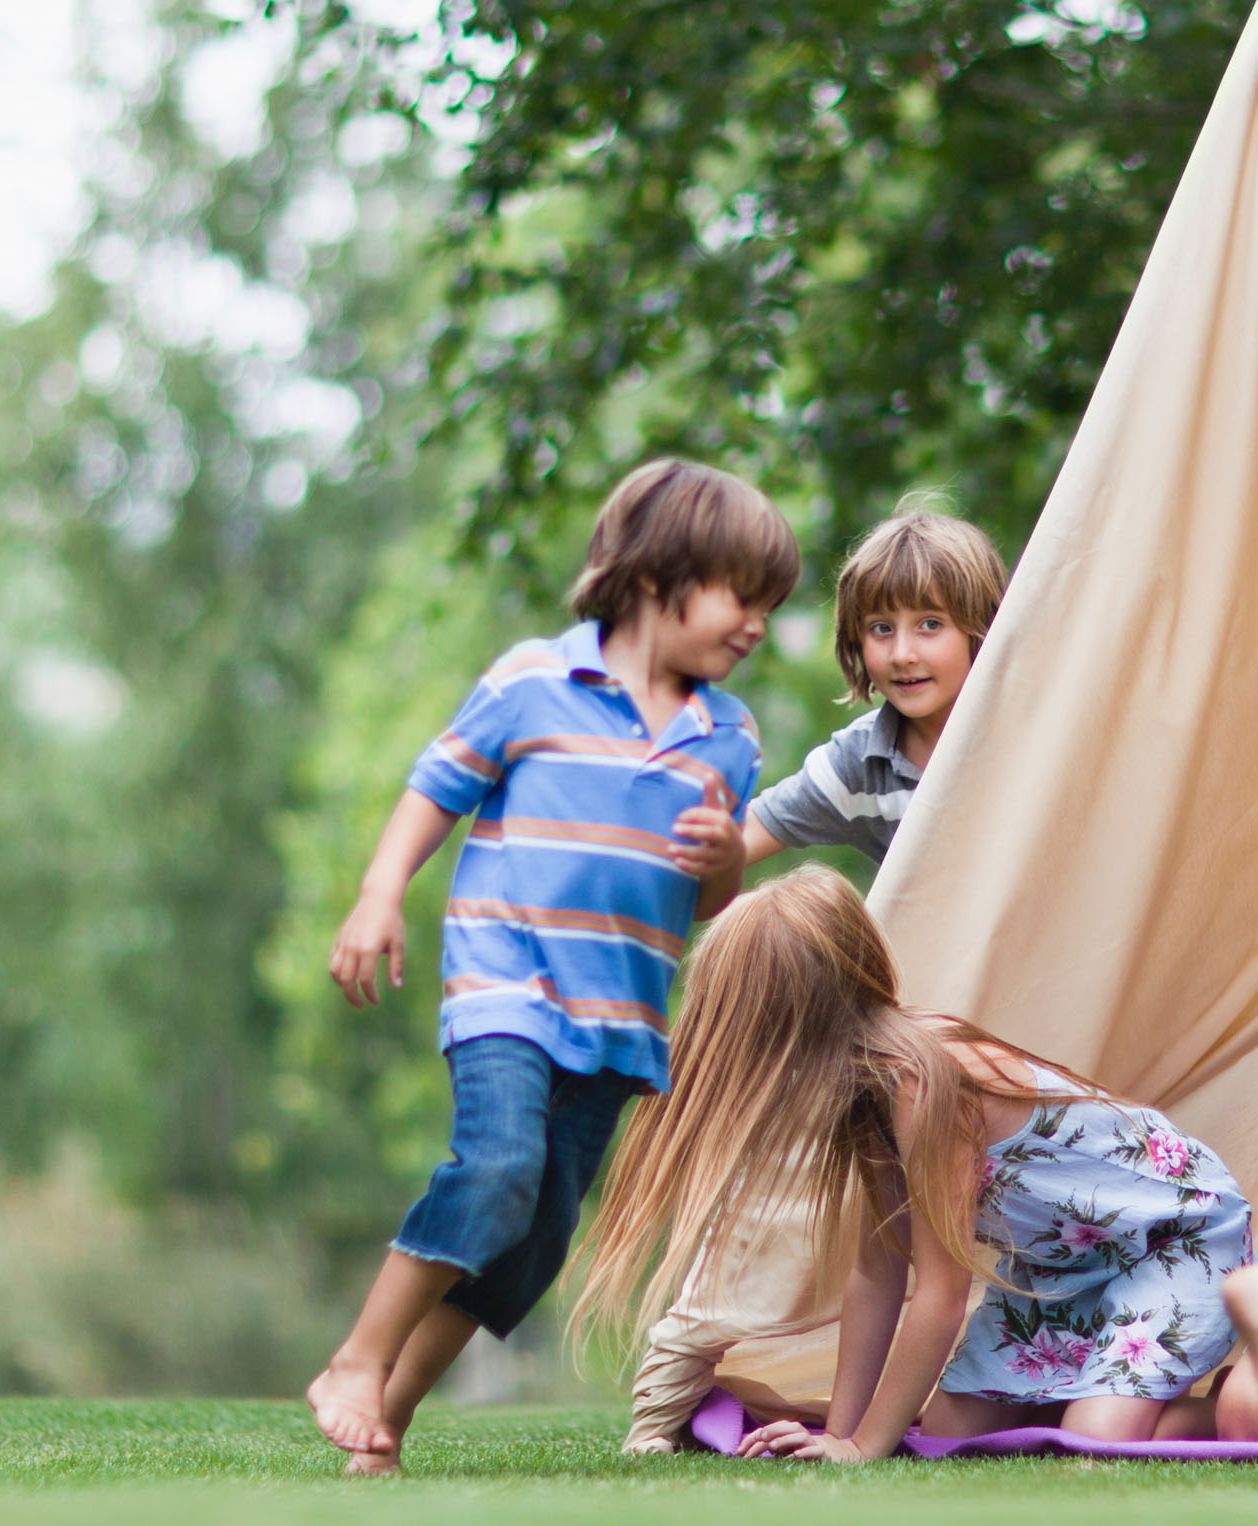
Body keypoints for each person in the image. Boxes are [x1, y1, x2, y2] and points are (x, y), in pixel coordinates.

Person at [306, 458, 800, 1471]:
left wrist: (720, 866)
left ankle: (386, 1415)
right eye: (738, 596)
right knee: (494, 1167)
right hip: (505, 978)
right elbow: (436, 784)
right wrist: (379, 891)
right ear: (658, 575)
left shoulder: (731, 736)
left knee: (531, 1235)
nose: (753, 622)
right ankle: (355, 1358)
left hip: (620, 1015)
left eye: (768, 604)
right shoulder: (533, 679)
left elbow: (712, 901)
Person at [574, 865, 1258, 1457]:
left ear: (794, 1027)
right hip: (1064, 1267)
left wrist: (868, 1445)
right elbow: (877, 1270)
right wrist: (838, 1439)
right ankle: (1120, 1390)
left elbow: (939, 1294)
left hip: (1176, 1236)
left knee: (1101, 1439)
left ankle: (1236, 1400)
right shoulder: (862, 1093)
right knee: (951, 1431)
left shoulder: (920, 1082)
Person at [746, 501, 1007, 868]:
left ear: (981, 627)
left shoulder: (1032, 729)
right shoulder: (860, 765)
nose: (902, 654)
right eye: (881, 629)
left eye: (930, 624)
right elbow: (740, 839)